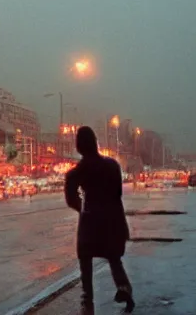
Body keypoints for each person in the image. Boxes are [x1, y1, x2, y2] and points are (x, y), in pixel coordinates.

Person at [65, 126, 135, 313]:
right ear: (96, 143)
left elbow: (71, 199)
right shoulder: (113, 166)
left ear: (79, 147)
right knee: (114, 258)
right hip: (114, 219)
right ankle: (124, 287)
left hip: (91, 222)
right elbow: (118, 193)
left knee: (85, 260)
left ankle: (87, 300)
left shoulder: (76, 173)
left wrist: (83, 208)